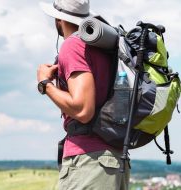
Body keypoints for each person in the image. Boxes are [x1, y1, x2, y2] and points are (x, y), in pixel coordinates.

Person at [37, 0, 130, 189]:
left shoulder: (72, 45)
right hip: (114, 160)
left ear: (58, 19)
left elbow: (83, 109)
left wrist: (45, 84)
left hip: (89, 161)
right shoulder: (102, 48)